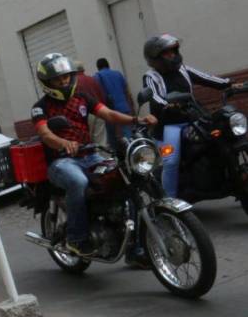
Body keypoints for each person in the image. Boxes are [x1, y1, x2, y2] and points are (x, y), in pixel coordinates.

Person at [32, 53, 157, 256]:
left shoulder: (81, 97)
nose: (63, 81)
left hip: (90, 155)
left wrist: (137, 120)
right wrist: (64, 143)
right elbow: (45, 134)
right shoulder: (40, 108)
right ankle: (76, 239)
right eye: (57, 79)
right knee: (78, 182)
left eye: (66, 77)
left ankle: (134, 247)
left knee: (126, 176)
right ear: (47, 82)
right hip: (61, 162)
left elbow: (108, 113)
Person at [142, 34, 241, 197]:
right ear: (156, 57)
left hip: (192, 118)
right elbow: (155, 96)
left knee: (220, 138)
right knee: (171, 161)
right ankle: (170, 202)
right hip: (169, 125)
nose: (172, 55)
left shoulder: (183, 69)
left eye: (173, 51)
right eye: (167, 53)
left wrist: (230, 84)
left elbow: (207, 78)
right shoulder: (151, 76)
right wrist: (167, 105)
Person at [94, 58, 136, 148]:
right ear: (108, 65)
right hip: (124, 109)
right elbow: (126, 92)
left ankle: (120, 158)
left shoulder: (97, 77)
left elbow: (98, 95)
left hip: (110, 111)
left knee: (113, 138)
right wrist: (131, 108)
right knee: (128, 136)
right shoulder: (118, 74)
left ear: (98, 67)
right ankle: (133, 155)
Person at [74, 61, 108, 146]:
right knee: (101, 143)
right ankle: (103, 158)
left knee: (86, 144)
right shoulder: (93, 79)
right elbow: (102, 95)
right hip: (99, 112)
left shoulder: (74, 83)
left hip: (84, 115)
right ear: (83, 69)